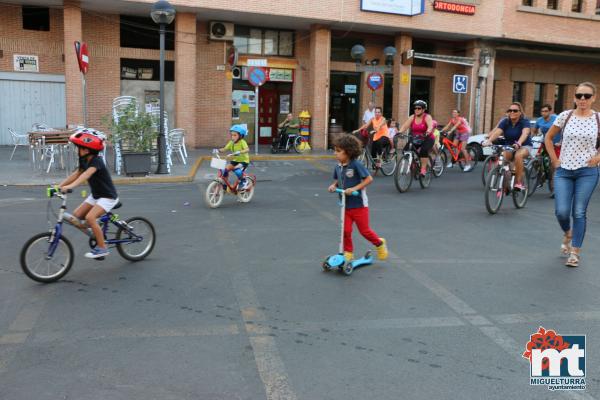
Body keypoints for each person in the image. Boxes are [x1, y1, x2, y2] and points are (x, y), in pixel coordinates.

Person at [544, 82, 600, 268]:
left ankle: (575, 252)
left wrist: (598, 157)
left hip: (587, 172)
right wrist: (554, 159)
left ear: (594, 98)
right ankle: (568, 232)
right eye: (579, 95)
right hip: (564, 171)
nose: (582, 99)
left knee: (579, 211)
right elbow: (549, 138)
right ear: (574, 97)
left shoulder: (598, 119)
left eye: (586, 96)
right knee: (561, 211)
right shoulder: (564, 116)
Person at [58, 129, 118, 259]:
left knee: (90, 218)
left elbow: (86, 175)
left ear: (86, 149)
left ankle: (102, 248)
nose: (76, 150)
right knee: (76, 216)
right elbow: (77, 174)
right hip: (96, 195)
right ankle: (96, 233)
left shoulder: (97, 161)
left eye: (78, 148)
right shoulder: (84, 160)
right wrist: (60, 185)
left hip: (107, 197)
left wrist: (70, 187)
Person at [328, 135, 388, 262]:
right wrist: (333, 186)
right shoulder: (338, 166)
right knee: (346, 231)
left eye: (338, 151)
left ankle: (379, 243)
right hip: (345, 205)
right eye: (335, 150)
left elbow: (369, 179)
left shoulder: (356, 165)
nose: (335, 153)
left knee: (364, 231)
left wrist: (355, 189)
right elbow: (337, 180)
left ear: (348, 152)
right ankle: (348, 252)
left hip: (359, 205)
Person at [483, 102, 532, 190]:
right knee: (503, 157)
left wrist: (519, 143)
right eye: (510, 110)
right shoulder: (505, 121)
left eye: (515, 110)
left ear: (520, 112)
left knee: (518, 156)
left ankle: (518, 182)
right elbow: (497, 132)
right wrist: (489, 141)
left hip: (524, 146)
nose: (512, 112)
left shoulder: (524, 121)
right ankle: (507, 177)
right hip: (509, 146)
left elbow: (525, 133)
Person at [398, 100, 435, 176]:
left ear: (423, 109)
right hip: (416, 138)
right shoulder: (412, 117)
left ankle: (423, 169)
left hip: (427, 138)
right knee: (406, 150)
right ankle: (414, 163)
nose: (416, 110)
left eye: (419, 108)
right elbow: (405, 126)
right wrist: (399, 132)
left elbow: (430, 126)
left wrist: (427, 132)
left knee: (423, 151)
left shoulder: (427, 117)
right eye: (415, 108)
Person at [534, 104, 559, 197]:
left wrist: (560, 141)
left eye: (546, 111)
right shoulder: (539, 120)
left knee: (553, 167)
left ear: (550, 112)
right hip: (545, 143)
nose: (544, 113)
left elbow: (563, 130)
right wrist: (534, 136)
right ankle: (541, 175)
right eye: (542, 111)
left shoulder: (556, 118)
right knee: (536, 160)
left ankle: (553, 190)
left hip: (556, 145)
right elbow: (535, 130)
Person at [217, 125, 250, 190]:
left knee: (236, 170)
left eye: (235, 135)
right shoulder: (231, 142)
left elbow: (247, 149)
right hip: (235, 160)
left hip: (243, 161)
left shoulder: (242, 142)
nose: (233, 137)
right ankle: (225, 184)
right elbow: (225, 148)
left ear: (240, 136)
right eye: (232, 135)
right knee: (225, 170)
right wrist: (217, 150)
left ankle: (243, 182)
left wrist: (239, 152)